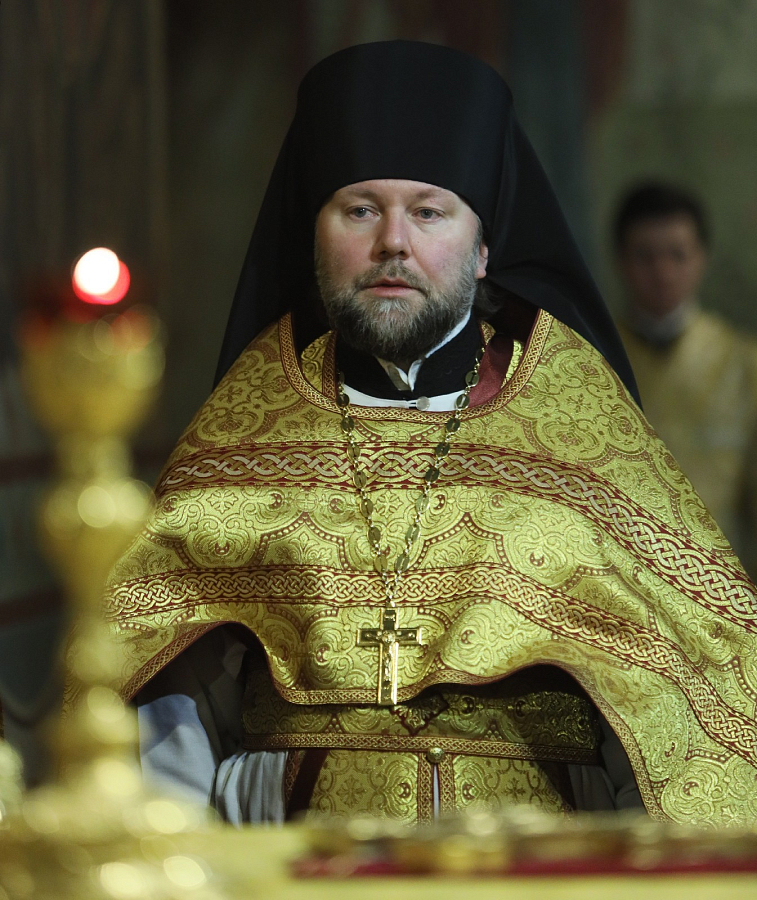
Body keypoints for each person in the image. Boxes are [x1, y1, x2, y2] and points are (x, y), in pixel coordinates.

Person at [105, 42, 757, 827]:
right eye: (359, 210)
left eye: (427, 212)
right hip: (293, 861)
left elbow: (684, 703)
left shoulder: (579, 418)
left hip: (533, 866)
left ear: (481, 250)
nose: (392, 241)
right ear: (315, 238)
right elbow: (155, 711)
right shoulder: (240, 430)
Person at [614, 182, 757, 575]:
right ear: (621, 261)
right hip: (624, 580)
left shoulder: (743, 363)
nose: (662, 272)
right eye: (645, 256)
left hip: (724, 583)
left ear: (702, 258)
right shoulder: (594, 361)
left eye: (677, 254)